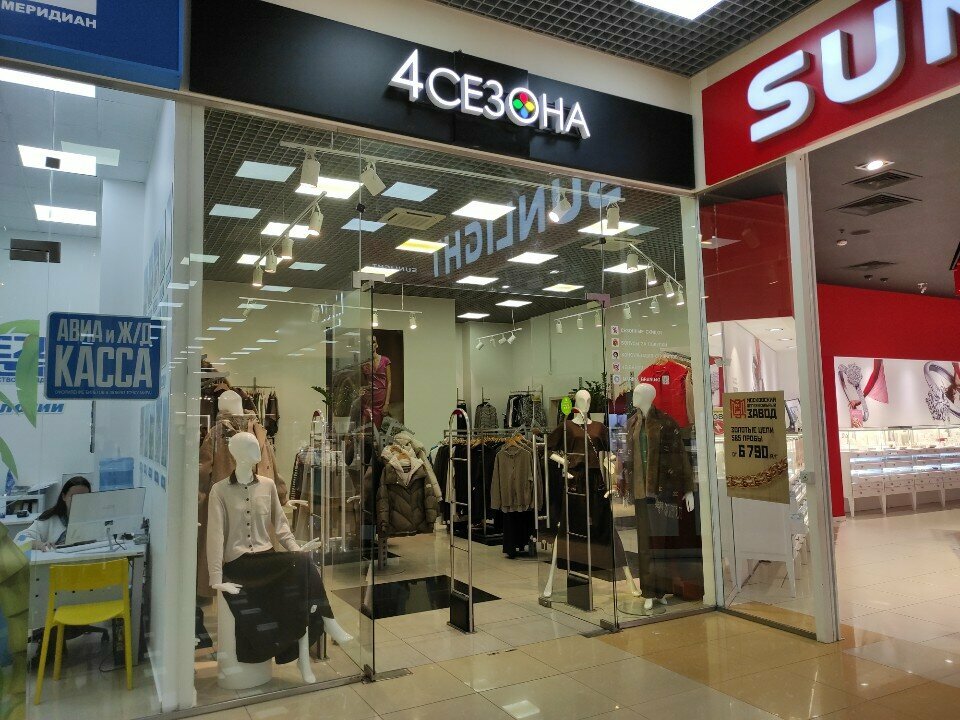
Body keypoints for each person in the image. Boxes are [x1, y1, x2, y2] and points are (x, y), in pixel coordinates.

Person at [15, 477, 92, 551]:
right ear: (64, 496)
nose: (79, 501)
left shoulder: (93, 518)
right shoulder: (50, 519)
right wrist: (40, 545)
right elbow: (19, 539)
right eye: (74, 497)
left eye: (84, 497)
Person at [360, 334, 392, 428]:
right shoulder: (364, 363)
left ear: (377, 345)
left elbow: (389, 382)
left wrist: (387, 403)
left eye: (373, 342)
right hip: (367, 397)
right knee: (365, 423)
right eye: (368, 343)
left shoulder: (385, 360)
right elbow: (362, 382)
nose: (370, 344)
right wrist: (361, 389)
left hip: (380, 396)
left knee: (377, 424)